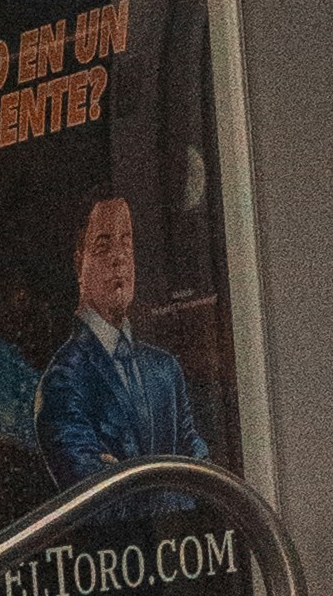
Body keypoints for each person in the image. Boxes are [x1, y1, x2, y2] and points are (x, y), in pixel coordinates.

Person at [34, 185, 208, 491]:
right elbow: (94, 495)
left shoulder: (165, 369)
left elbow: (201, 471)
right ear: (79, 264)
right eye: (103, 247)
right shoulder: (64, 379)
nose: (119, 258)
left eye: (126, 243)